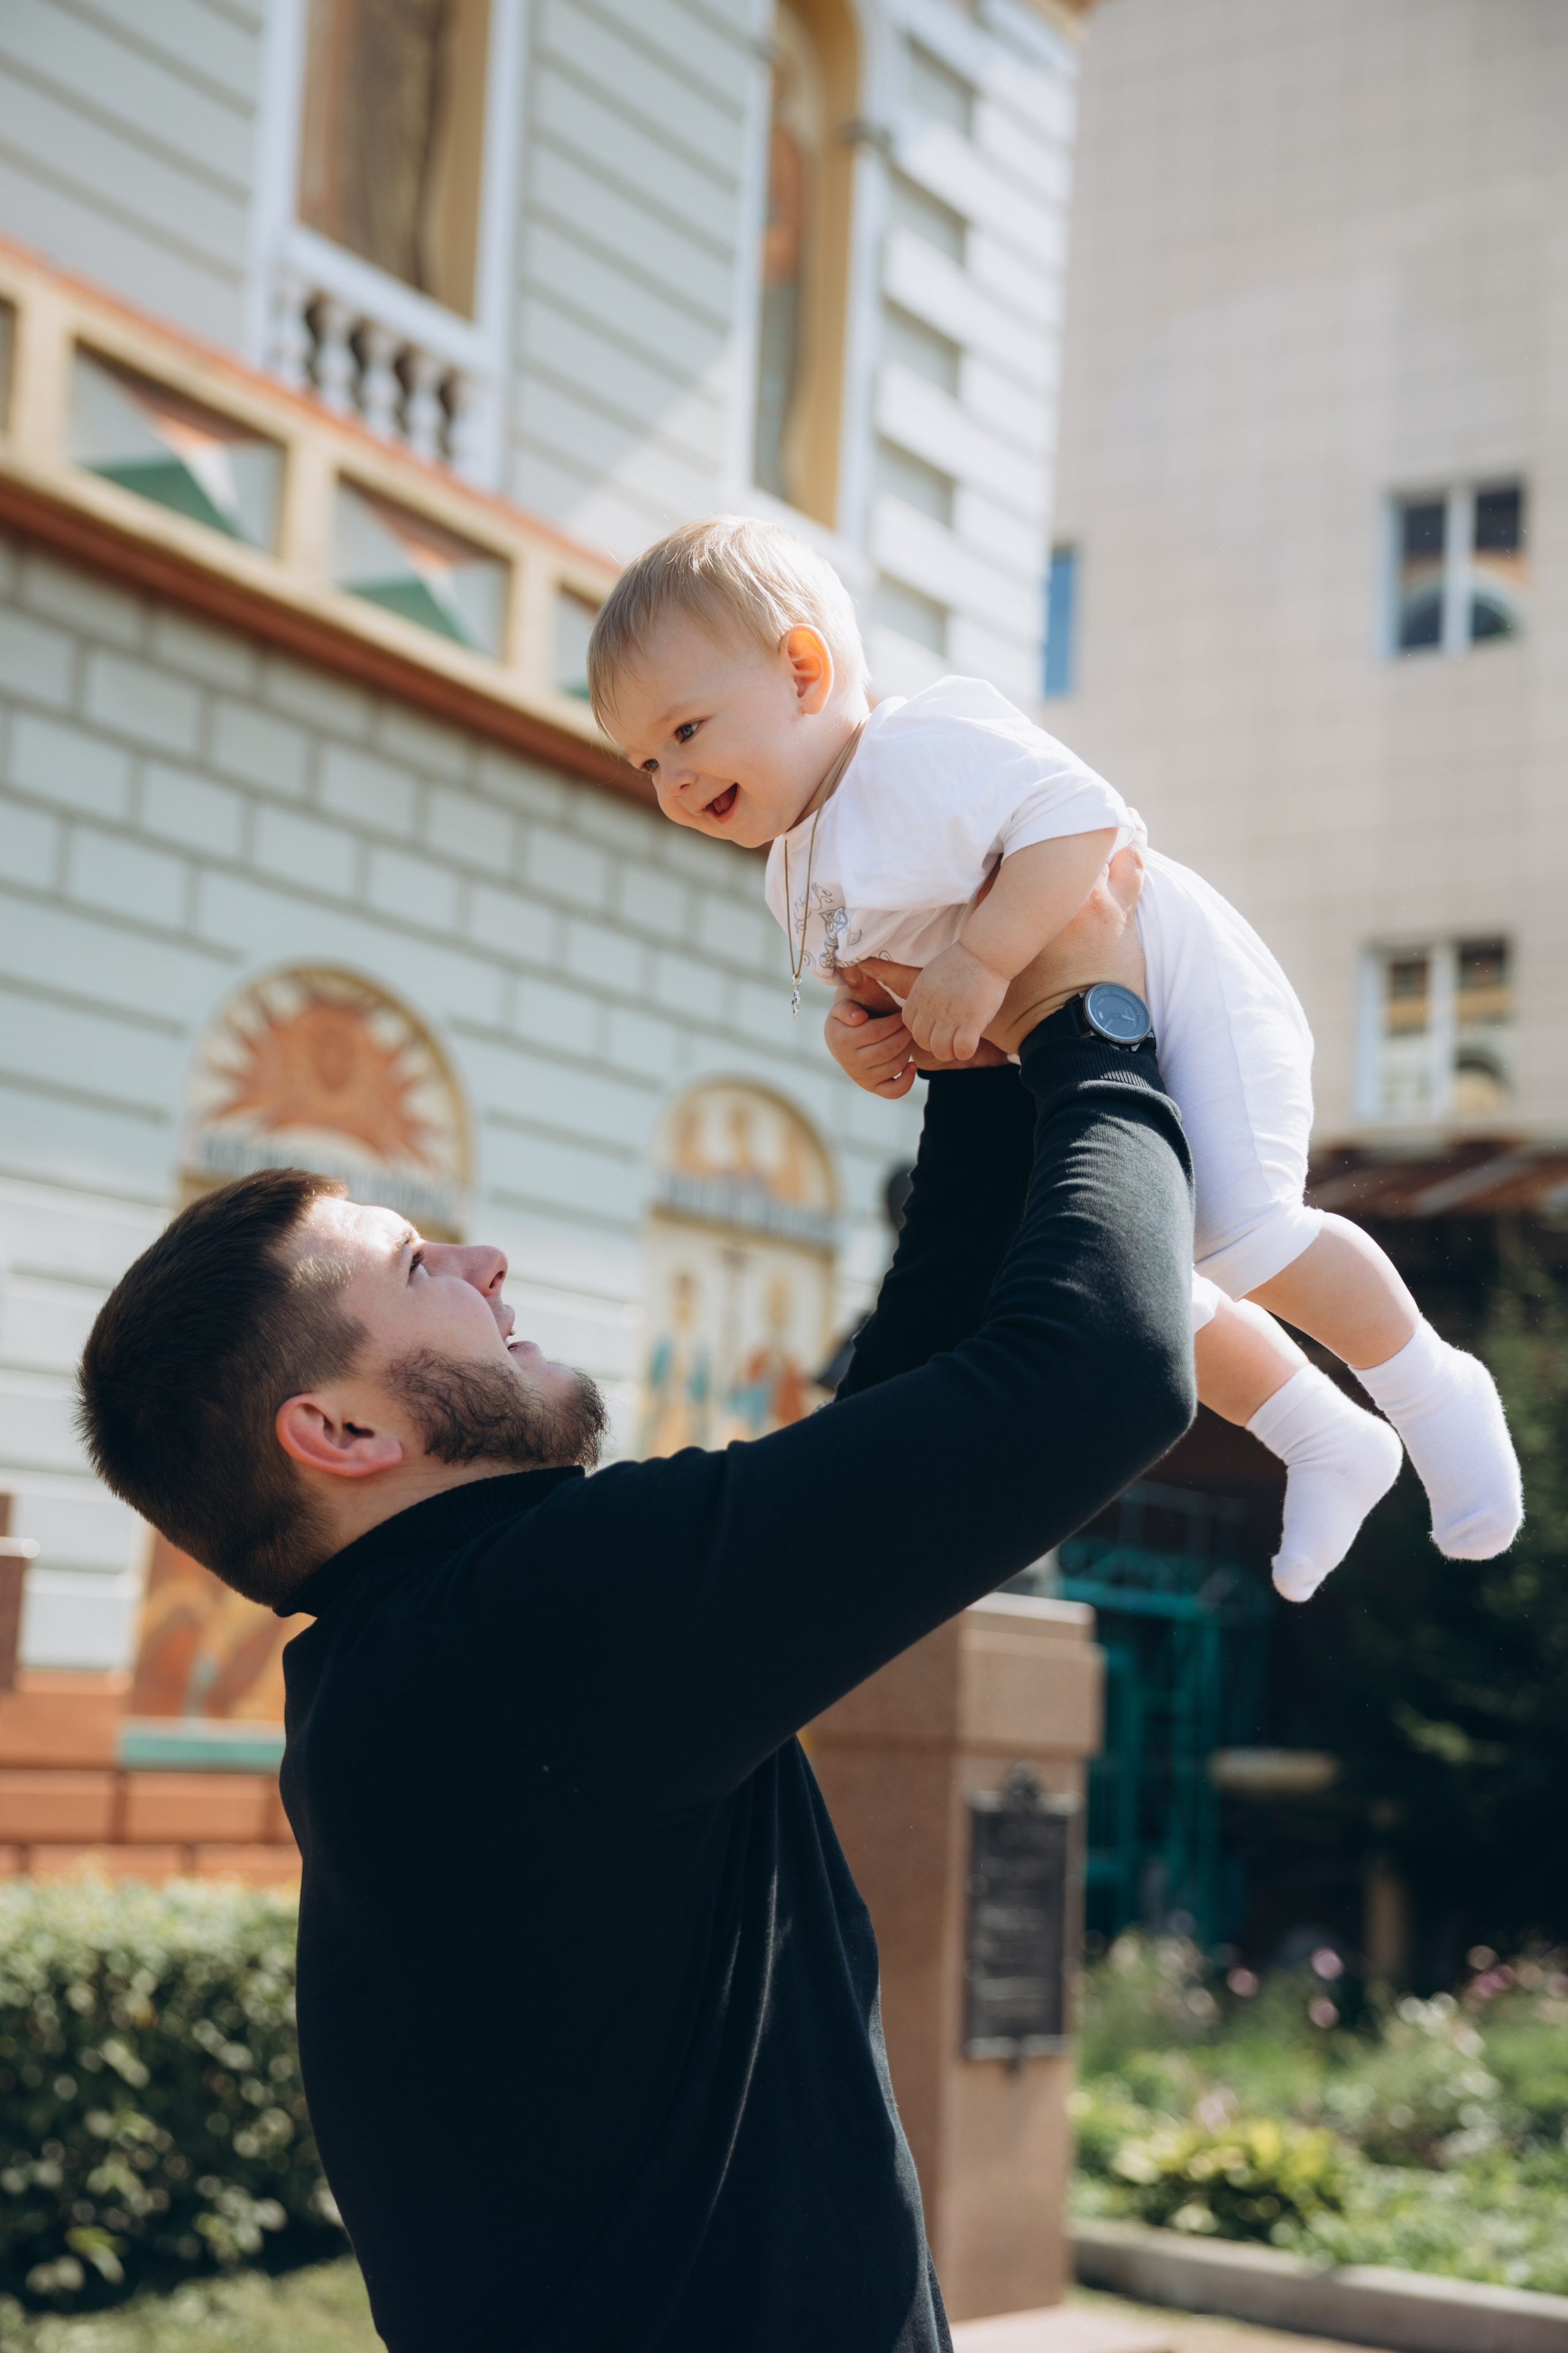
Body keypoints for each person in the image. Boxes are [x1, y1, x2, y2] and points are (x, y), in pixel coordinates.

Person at [76, 859, 1196, 2353]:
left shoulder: (427, 1660)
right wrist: (1094, 1023)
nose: (486, 1261)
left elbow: (871, 1463)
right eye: (420, 1263)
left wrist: (975, 1075)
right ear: (341, 1434)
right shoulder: (523, 1632)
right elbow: (1102, 1375)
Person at [586, 515, 1524, 1603]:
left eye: (689, 730)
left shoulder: (921, 746)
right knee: (1145, 1270)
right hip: (1056, 1047)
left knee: (1246, 1226)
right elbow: (880, 990)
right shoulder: (794, 866)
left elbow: (1085, 826)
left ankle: (1429, 1384)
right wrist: (867, 1037)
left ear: (804, 671)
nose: (674, 780)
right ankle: (1319, 1434)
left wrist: (982, 960)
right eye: (649, 760)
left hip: (1180, 980)